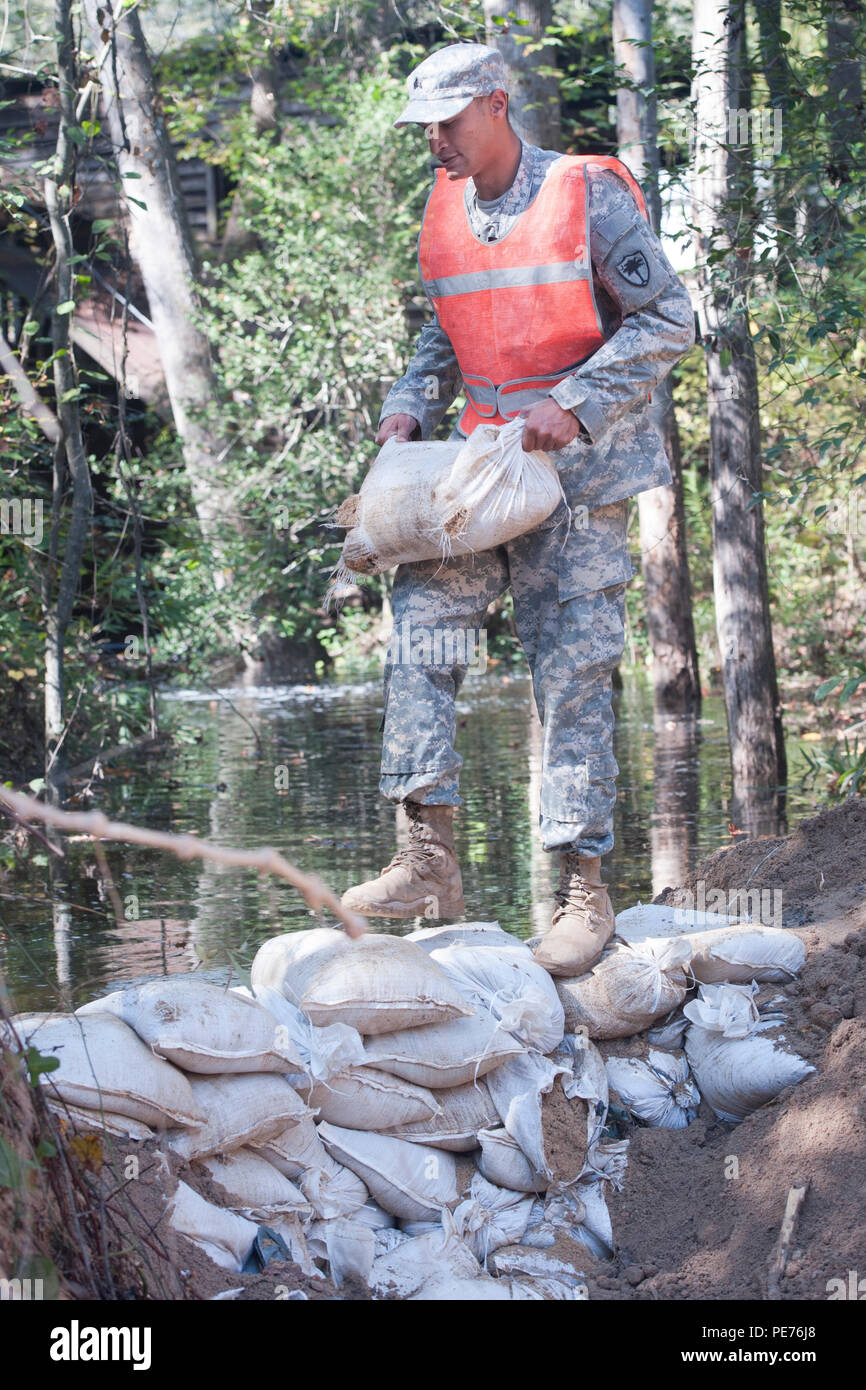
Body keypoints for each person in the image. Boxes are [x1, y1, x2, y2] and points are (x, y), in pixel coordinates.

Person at [341, 43, 695, 977]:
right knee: (422, 628)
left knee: (572, 673)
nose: (435, 144)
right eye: (424, 128)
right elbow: (441, 324)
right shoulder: (444, 206)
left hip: (578, 480)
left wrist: (573, 400)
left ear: (497, 106)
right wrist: (408, 402)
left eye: (448, 124)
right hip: (477, 474)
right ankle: (427, 857)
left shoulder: (586, 194)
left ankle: (584, 891)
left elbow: (671, 320)